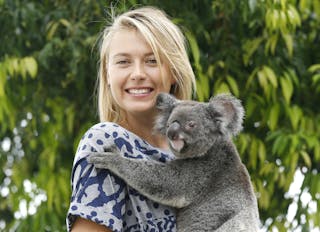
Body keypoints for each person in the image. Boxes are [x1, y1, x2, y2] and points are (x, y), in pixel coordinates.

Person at [66, 5, 196, 232]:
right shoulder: (105, 144)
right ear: (108, 74)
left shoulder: (201, 156)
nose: (137, 73)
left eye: (152, 61)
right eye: (123, 62)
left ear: (173, 72)